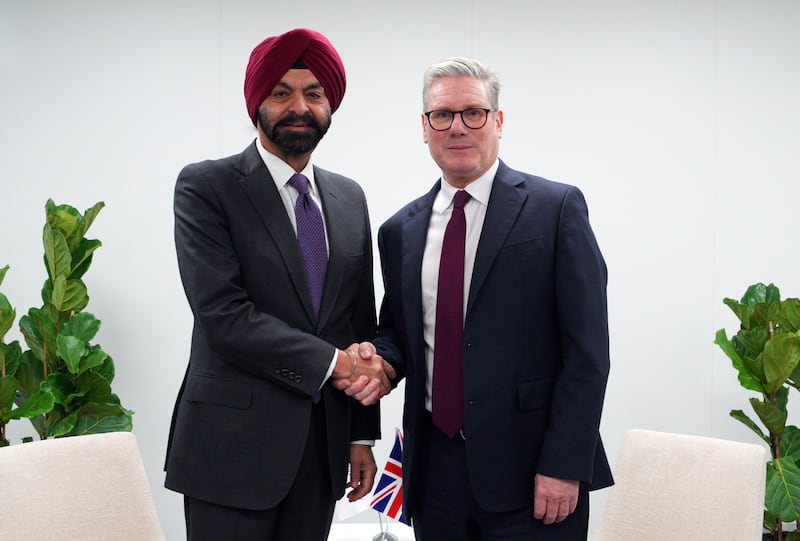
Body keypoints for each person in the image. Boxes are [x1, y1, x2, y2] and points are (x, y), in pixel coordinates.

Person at [340, 57, 613, 540]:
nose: (458, 127)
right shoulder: (399, 231)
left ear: (498, 121)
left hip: (534, 472)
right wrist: (377, 361)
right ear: (424, 128)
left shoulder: (556, 210)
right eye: (442, 115)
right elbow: (400, 334)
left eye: (474, 112)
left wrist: (565, 464)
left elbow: (587, 353)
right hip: (433, 473)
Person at [164, 28, 392, 541]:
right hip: (230, 452)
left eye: (314, 93)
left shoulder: (348, 197)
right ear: (256, 102)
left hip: (321, 451)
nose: (299, 106)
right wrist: (337, 364)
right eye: (281, 92)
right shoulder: (207, 186)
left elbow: (357, 320)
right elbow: (224, 316)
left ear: (330, 104)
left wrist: (360, 435)